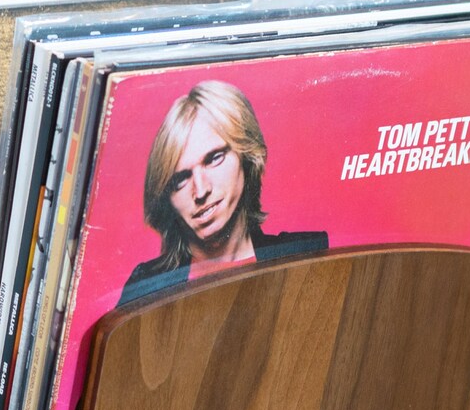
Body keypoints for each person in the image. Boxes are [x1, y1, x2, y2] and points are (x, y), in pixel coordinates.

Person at [117, 80, 327, 308]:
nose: (201, 190)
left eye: (214, 158)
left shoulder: (307, 252)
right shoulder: (147, 285)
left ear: (246, 156)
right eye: (180, 179)